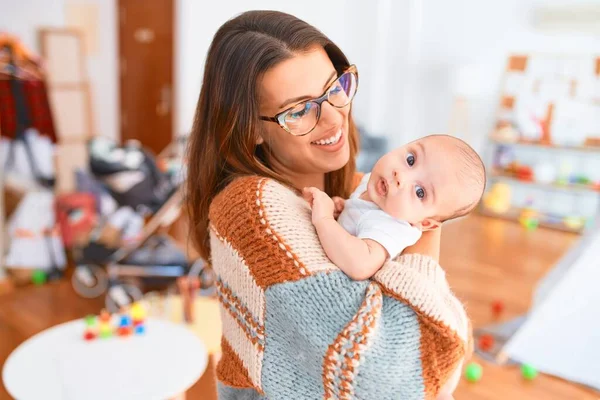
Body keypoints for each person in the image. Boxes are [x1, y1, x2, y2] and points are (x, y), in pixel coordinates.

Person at [186, 10, 470, 400]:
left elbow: (435, 371)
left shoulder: (360, 196)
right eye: (300, 109)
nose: (334, 117)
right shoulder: (251, 209)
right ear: (249, 127)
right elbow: (398, 383)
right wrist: (424, 230)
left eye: (335, 87)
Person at [303, 134, 486, 280]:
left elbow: (360, 264)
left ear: (426, 223)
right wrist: (344, 209)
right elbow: (360, 215)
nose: (401, 176)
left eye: (420, 192)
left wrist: (325, 219)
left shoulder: (392, 225)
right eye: (411, 160)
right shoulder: (374, 183)